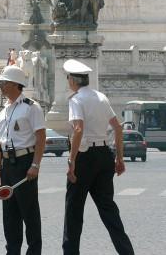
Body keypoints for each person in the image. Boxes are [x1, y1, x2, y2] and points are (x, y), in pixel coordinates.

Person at [62, 59, 134, 255]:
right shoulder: (101, 97)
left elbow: (78, 129)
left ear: (73, 81)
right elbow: (118, 127)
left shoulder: (76, 99)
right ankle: (127, 252)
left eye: (68, 78)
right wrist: (119, 158)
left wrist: (72, 160)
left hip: (84, 157)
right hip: (104, 155)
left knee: (74, 212)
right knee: (109, 210)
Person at [0, 65, 46, 255]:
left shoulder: (31, 107)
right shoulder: (4, 109)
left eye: (4, 83)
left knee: (29, 212)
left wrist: (35, 165)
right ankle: (12, 251)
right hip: (7, 165)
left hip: (25, 163)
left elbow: (41, 137)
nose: (1, 86)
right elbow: (0, 142)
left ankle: (34, 251)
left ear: (16, 84)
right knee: (10, 214)